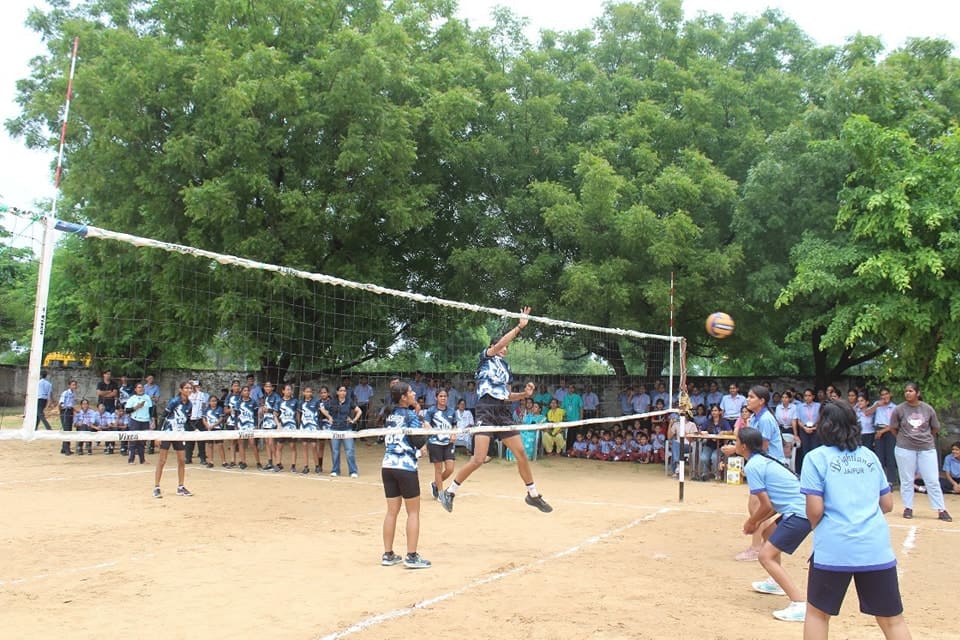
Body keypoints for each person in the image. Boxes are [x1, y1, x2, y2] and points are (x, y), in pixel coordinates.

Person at [800, 401, 912, 640]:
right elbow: (887, 504)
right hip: (875, 547)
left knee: (817, 614)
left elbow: (815, 510)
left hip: (834, 547)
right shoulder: (869, 456)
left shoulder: (815, 458)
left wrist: (818, 525)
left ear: (823, 426)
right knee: (892, 620)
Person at [438, 307, 552, 514]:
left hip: (502, 410)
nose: (505, 349)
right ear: (493, 346)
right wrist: (519, 326)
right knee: (479, 458)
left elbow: (507, 395)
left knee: (521, 453)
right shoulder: (486, 357)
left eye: (506, 347)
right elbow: (499, 344)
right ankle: (450, 492)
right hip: (486, 409)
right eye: (503, 346)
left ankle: (533, 494)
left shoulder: (506, 368)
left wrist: (524, 395)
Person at [738, 427, 812, 623]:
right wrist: (758, 522)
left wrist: (751, 522)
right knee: (768, 533)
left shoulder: (753, 466)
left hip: (800, 513)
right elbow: (774, 504)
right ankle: (776, 582)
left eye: (736, 441)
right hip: (801, 509)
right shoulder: (762, 460)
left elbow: (766, 505)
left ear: (743, 446)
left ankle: (800, 604)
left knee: (765, 556)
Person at [381, 382, 431, 569]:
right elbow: (418, 442)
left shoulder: (389, 414)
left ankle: (388, 554)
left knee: (391, 512)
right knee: (413, 512)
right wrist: (426, 430)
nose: (414, 393)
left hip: (388, 466)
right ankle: (411, 556)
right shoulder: (410, 416)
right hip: (405, 467)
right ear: (403, 397)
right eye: (410, 391)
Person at [889, 382, 951, 522]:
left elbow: (935, 428)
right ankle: (908, 508)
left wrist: (925, 438)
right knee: (907, 479)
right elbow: (893, 427)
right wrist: (903, 439)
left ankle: (941, 509)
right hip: (904, 448)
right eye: (906, 391)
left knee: (932, 479)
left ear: (917, 393)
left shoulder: (927, 409)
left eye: (911, 391)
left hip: (926, 448)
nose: (907, 393)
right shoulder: (899, 409)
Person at [153, 381, 194, 498]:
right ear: (181, 390)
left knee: (181, 460)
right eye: (186, 388)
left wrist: (194, 430)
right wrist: (158, 435)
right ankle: (156, 487)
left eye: (190, 388)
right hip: (167, 432)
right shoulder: (174, 402)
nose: (189, 390)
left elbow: (188, 421)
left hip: (179, 434)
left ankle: (181, 487)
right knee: (162, 460)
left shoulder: (190, 404)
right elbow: (163, 417)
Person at [425, 389, 455, 499]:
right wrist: (429, 429)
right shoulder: (431, 410)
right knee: (438, 469)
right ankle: (440, 493)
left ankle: (435, 484)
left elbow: (454, 425)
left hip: (448, 442)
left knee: (450, 468)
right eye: (441, 396)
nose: (443, 398)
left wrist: (453, 434)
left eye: (445, 396)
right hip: (435, 442)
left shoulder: (451, 411)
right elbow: (426, 423)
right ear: (436, 398)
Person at [328, 384, 362, 477]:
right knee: (335, 451)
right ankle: (335, 470)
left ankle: (353, 471)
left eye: (344, 391)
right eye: (341, 390)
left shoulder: (349, 401)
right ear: (337, 392)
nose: (343, 392)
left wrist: (353, 420)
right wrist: (329, 417)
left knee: (350, 451)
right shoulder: (332, 402)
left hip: (347, 429)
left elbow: (359, 411)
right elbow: (323, 409)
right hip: (334, 429)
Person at [125, 382, 152, 464]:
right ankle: (131, 459)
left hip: (145, 421)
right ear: (135, 389)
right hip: (135, 420)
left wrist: (152, 420)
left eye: (142, 387)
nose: (141, 389)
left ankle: (142, 460)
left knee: (142, 442)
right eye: (139, 387)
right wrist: (136, 407)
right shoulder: (132, 398)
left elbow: (151, 409)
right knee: (133, 441)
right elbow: (127, 410)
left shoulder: (147, 397)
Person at [202, 395, 225, 468]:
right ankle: (210, 461)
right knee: (209, 445)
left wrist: (214, 425)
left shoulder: (220, 409)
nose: (214, 402)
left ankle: (224, 461)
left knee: (220, 445)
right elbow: (204, 419)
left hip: (218, 428)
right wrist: (207, 425)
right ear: (209, 402)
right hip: (209, 429)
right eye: (212, 401)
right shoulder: (206, 409)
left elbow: (221, 418)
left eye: (215, 401)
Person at [58, 379, 78, 455]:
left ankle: (64, 448)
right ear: (69, 385)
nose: (74, 386)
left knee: (69, 429)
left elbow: (71, 405)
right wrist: (61, 411)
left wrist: (75, 411)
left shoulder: (73, 394)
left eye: (75, 385)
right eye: (73, 385)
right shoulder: (65, 393)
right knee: (66, 430)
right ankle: (67, 449)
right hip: (65, 411)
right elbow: (61, 403)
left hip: (70, 411)